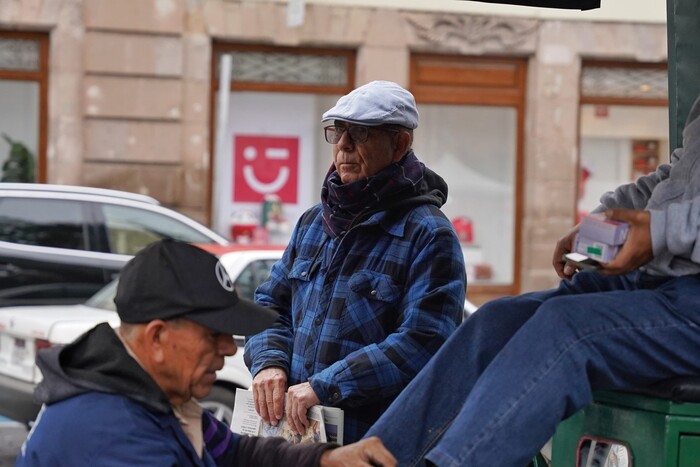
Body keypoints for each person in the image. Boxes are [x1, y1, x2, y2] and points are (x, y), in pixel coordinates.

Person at [363, 93, 700, 467]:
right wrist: (604, 221)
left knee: (566, 330)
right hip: (658, 278)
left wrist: (661, 231)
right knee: (496, 321)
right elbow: (678, 176)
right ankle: (369, 460)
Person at [16, 239, 396, 467]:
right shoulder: (112, 435)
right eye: (213, 335)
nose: (229, 348)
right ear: (158, 338)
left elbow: (235, 452)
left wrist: (325, 458)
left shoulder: (150, 395)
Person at [244, 80, 467, 444]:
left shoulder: (428, 234)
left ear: (399, 144)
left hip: (374, 443)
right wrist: (269, 361)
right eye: (337, 132)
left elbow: (424, 341)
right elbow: (269, 303)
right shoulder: (313, 223)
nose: (344, 145)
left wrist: (325, 387)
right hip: (295, 441)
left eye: (360, 133)